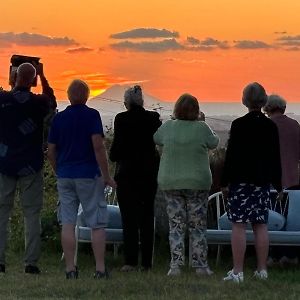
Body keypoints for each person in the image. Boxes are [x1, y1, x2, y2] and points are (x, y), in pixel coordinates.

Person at [47, 79, 115, 279]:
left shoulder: (59, 119)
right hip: (88, 175)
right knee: (96, 222)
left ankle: (70, 269)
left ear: (68, 96)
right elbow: (98, 146)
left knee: (68, 222)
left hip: (65, 175)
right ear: (86, 96)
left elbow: (50, 151)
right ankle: (100, 269)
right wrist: (106, 175)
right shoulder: (91, 115)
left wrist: (58, 170)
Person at [221, 82, 282, 283]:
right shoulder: (270, 126)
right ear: (263, 100)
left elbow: (231, 156)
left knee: (238, 225)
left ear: (244, 100)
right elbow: (275, 157)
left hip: (240, 181)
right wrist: (278, 184)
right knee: (260, 225)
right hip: (262, 182)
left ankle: (238, 271)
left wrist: (224, 182)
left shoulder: (238, 125)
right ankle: (262, 270)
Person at [0, 62, 57, 274]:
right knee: (32, 214)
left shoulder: (3, 100)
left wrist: (12, 80)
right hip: (31, 164)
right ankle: (31, 263)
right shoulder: (38, 103)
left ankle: (0, 261)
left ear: (14, 77)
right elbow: (51, 100)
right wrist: (43, 75)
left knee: (1, 212)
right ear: (33, 80)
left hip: (4, 162)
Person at [154, 93, 219, 276]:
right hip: (198, 183)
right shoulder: (202, 128)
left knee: (176, 225)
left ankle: (175, 265)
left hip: (171, 182)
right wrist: (203, 122)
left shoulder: (168, 127)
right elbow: (214, 142)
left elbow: (156, 139)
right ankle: (200, 266)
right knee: (197, 224)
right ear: (197, 111)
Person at [109, 85, 161, 272]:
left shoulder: (121, 119)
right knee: (147, 216)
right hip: (148, 174)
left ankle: (130, 261)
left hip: (127, 175)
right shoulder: (153, 118)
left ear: (126, 103)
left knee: (129, 219)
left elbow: (115, 151)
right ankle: (147, 262)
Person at [264, 94, 300, 266]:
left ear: (267, 108)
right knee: (292, 220)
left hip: (270, 181)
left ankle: (273, 255)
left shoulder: (265, 126)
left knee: (272, 219)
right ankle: (290, 255)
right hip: (293, 180)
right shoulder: (295, 125)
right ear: (283, 108)